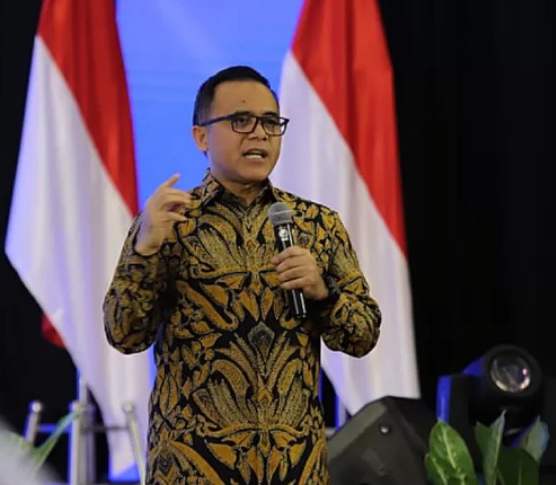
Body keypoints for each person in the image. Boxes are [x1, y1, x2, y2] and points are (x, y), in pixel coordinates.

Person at [103, 65, 381, 485]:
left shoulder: (316, 223)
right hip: (193, 469)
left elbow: (363, 336)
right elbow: (124, 335)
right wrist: (144, 251)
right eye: (241, 121)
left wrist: (323, 292)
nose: (259, 134)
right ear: (201, 136)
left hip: (294, 468)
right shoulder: (168, 222)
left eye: (270, 122)